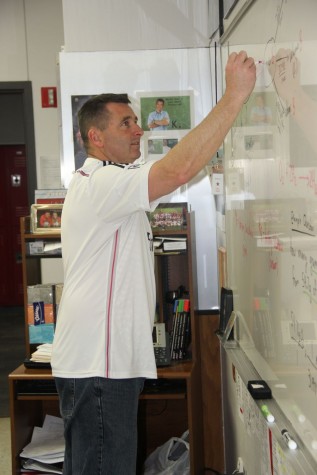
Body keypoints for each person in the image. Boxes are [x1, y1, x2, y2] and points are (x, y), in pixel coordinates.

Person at [51, 50, 256, 475]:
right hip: (98, 366)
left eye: (137, 121)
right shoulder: (102, 182)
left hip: (100, 365)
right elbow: (177, 171)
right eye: (126, 123)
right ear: (95, 137)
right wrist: (234, 97)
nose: (139, 130)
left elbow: (180, 165)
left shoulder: (113, 184)